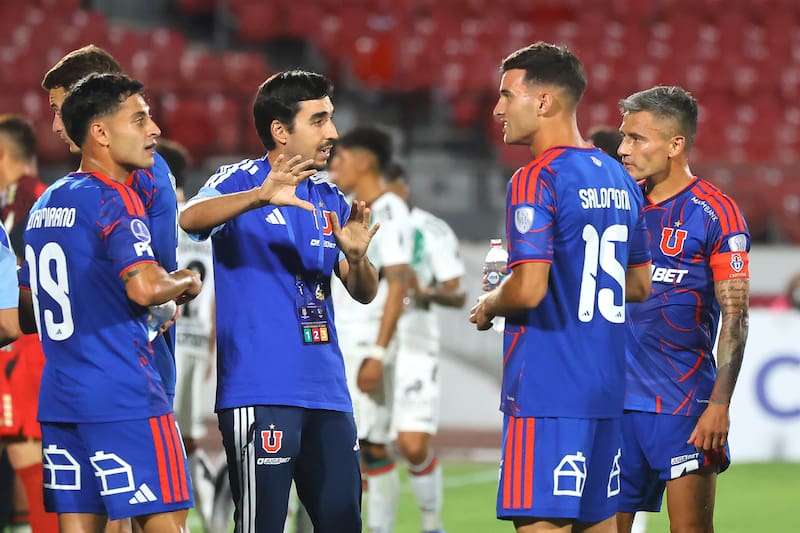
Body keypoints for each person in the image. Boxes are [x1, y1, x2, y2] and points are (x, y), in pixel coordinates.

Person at [179, 69, 380, 533]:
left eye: (331, 118)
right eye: (319, 120)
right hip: (260, 390)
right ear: (280, 130)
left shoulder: (330, 199)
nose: (333, 132)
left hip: (328, 391)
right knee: (260, 525)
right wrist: (260, 197)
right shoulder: (238, 179)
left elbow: (363, 290)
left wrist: (356, 257)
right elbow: (190, 218)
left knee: (342, 522)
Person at [468, 42, 652, 533]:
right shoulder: (621, 178)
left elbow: (528, 290)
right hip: (606, 392)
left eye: (508, 94)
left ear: (544, 101)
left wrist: (490, 301)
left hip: (548, 393)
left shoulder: (535, 178)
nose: (498, 108)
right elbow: (639, 284)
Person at [18, 73, 202, 531]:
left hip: (61, 398)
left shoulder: (46, 202)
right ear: (99, 132)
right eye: (139, 119)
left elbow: (27, 312)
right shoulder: (115, 199)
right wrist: (184, 280)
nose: (153, 130)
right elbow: (143, 288)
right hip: (124, 394)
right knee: (167, 523)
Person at [615, 86, 750, 533]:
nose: (623, 149)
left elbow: (735, 316)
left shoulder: (716, 213)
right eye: (623, 137)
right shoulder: (618, 206)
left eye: (636, 138)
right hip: (613, 401)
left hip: (684, 404)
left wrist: (719, 405)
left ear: (675, 144)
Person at [42, 44, 180, 405]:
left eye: (59, 109)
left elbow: (151, 280)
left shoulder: (131, 173)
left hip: (129, 368)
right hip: (101, 368)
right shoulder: (90, 183)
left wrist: (182, 284)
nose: (57, 124)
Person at [329, 126, 414, 533]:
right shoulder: (344, 204)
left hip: (365, 344)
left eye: (340, 158)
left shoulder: (390, 211)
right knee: (346, 443)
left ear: (363, 162)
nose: (334, 166)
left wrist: (378, 353)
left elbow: (398, 282)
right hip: (340, 340)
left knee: (368, 445)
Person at [384, 161, 466, 533]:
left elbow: (457, 292)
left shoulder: (431, 230)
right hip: (367, 345)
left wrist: (423, 290)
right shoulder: (358, 221)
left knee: (412, 445)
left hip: (415, 347)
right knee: (367, 445)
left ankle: (432, 524)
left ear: (402, 188)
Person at [157, 138, 232, 533]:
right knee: (183, 435)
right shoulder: (204, 218)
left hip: (167, 336)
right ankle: (200, 498)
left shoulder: (159, 215)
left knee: (164, 434)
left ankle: (192, 500)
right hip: (197, 337)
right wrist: (211, 346)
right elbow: (216, 286)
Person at [0, 114, 58, 532]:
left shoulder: (26, 203)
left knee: (28, 448)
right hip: (36, 337)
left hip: (25, 340)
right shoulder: (40, 198)